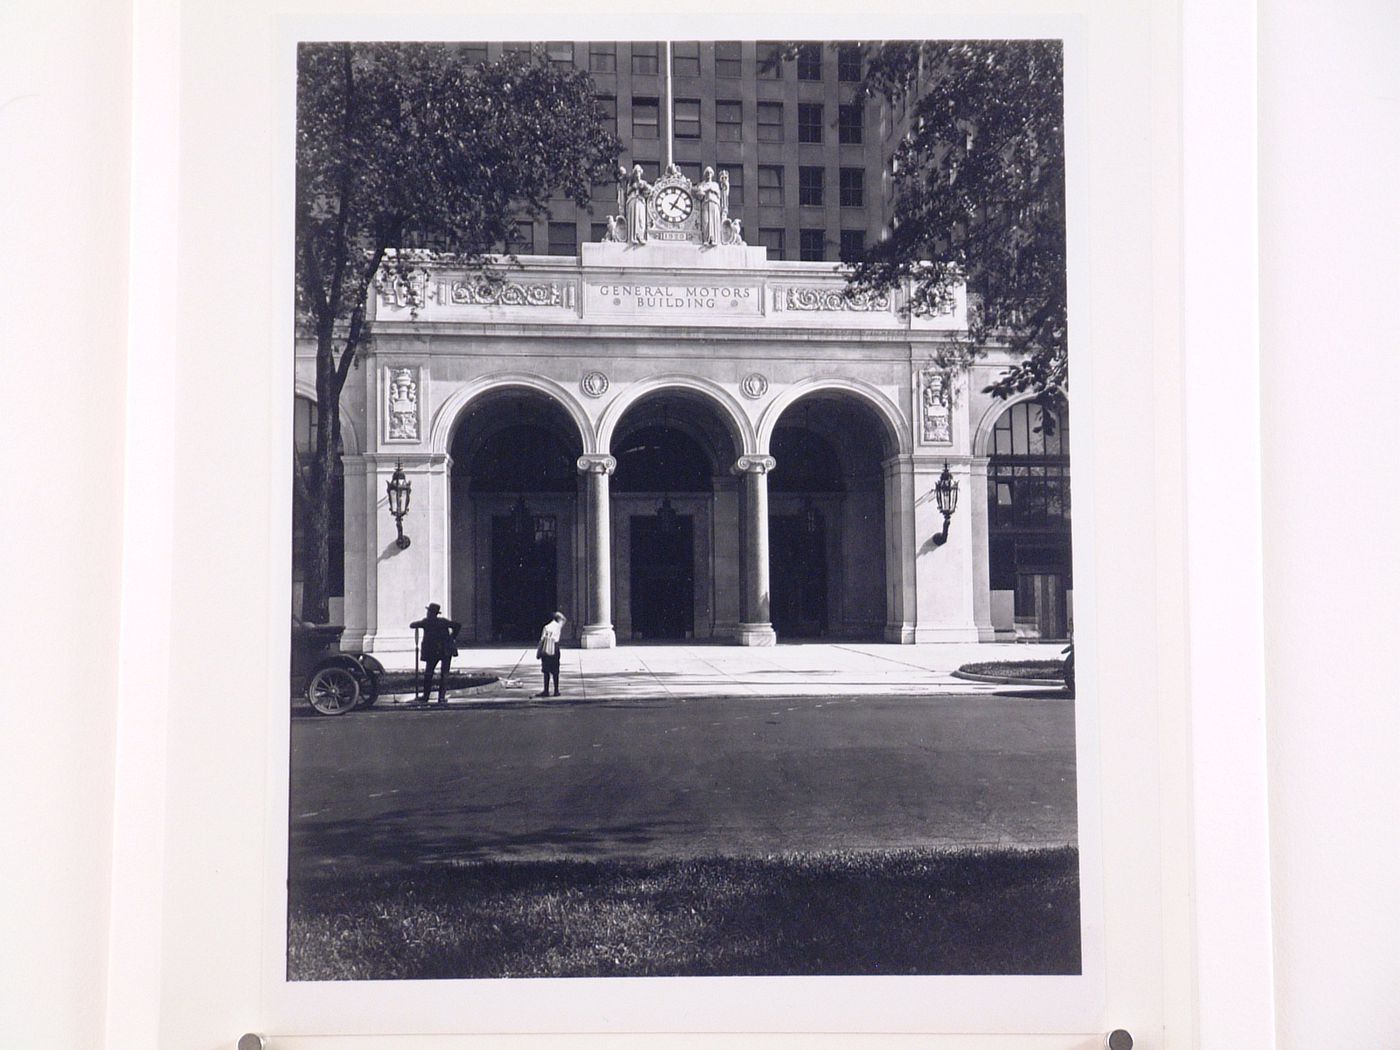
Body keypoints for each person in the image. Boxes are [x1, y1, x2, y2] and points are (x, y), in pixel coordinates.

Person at [410, 602, 461, 704]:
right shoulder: (443, 622)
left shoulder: (426, 622)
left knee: (429, 674)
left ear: (431, 613)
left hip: (434, 651)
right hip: (446, 650)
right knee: (444, 674)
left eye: (429, 611)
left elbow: (412, 625)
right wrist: (452, 637)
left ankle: (426, 696)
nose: (428, 613)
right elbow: (457, 625)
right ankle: (441, 697)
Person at [536, 611, 566, 697]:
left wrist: (538, 652)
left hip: (546, 647)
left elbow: (542, 640)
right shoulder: (558, 626)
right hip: (555, 647)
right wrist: (557, 613)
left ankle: (546, 690)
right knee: (555, 670)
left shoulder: (546, 627)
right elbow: (564, 619)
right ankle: (556, 690)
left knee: (546, 671)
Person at [692, 166, 722, 246]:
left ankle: (714, 239)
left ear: (712, 174)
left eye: (710, 173)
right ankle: (706, 239)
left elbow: (718, 193)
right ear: (705, 175)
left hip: (714, 204)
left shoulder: (715, 184)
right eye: (707, 173)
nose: (708, 174)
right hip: (705, 204)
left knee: (714, 221)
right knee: (706, 221)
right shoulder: (702, 185)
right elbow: (699, 194)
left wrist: (706, 189)